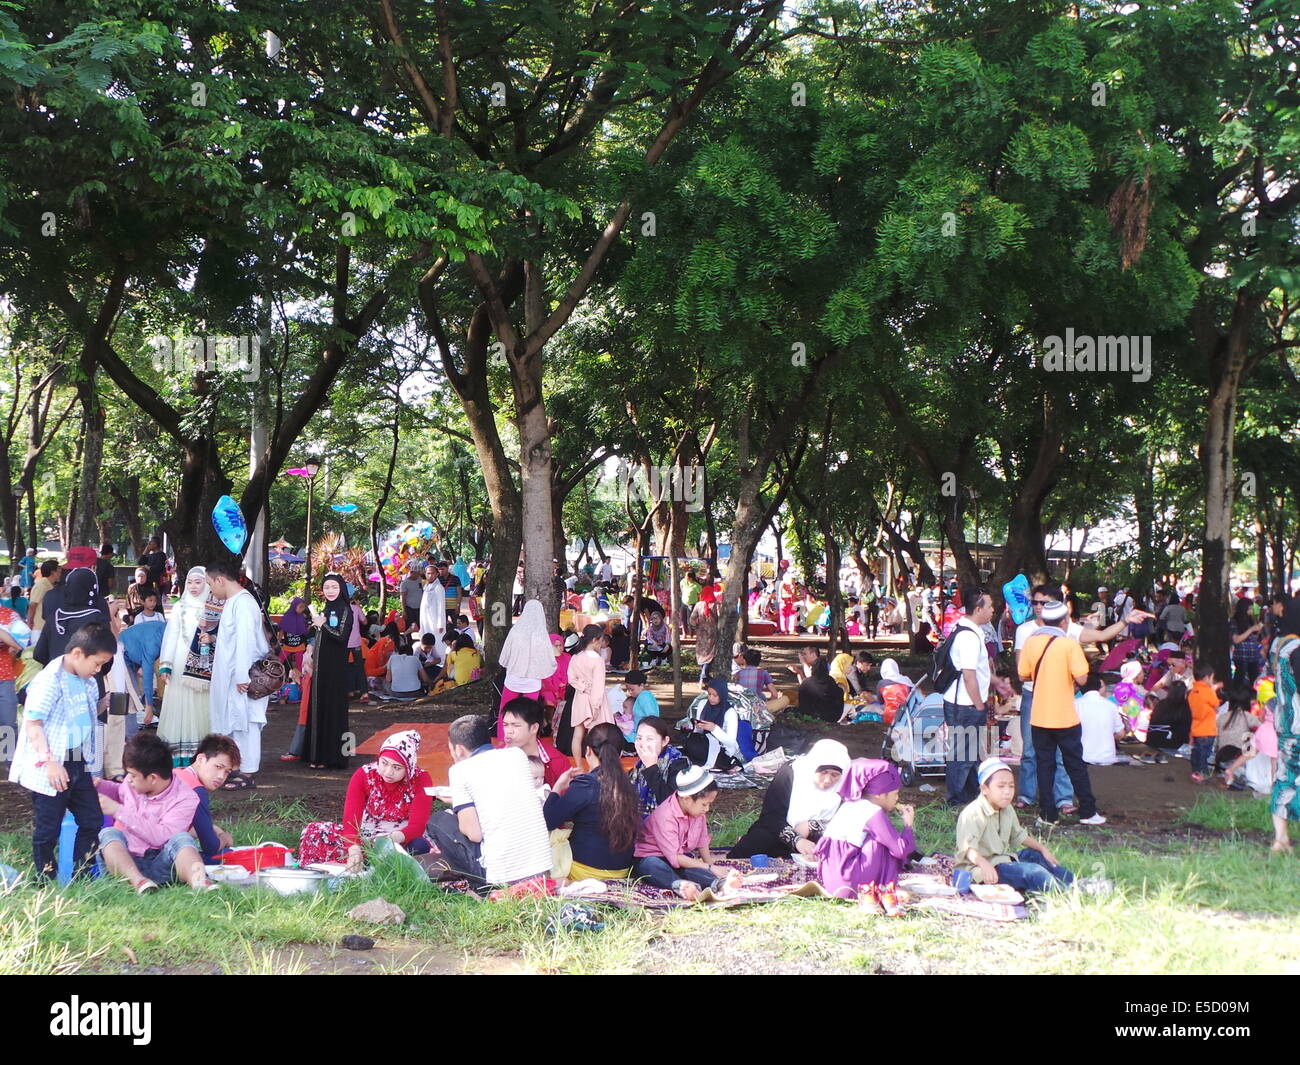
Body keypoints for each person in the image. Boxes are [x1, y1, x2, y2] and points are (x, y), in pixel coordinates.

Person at [8, 622, 115, 879]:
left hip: (79, 760)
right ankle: (44, 878)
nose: (98, 670)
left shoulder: (87, 680)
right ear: (78, 653)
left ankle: (83, 875)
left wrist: (103, 704)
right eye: (97, 663)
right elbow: (33, 724)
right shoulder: (48, 681)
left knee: (91, 820)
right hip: (53, 764)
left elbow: (79, 714)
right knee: (48, 829)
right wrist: (50, 762)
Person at [425, 715, 553, 889]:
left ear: (459, 749)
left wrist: (457, 806)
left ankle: (477, 884)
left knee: (438, 821)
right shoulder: (517, 755)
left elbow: (474, 834)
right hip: (542, 865)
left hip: (502, 875)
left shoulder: (459, 771)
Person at [1017, 600, 1105, 826]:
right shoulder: (1069, 645)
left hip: (1039, 716)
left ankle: (1047, 814)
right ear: (1065, 620)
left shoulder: (1031, 642)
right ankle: (1087, 811)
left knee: (1044, 765)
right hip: (1065, 716)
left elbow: (1023, 675)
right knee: (1074, 764)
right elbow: (1083, 679)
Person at [299, 729, 433, 870]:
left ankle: (367, 867)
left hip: (400, 838)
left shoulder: (421, 779)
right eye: (384, 763)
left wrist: (388, 841)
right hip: (366, 834)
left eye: (397, 767)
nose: (388, 772)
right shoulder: (364, 775)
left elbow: (417, 826)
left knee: (419, 846)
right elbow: (351, 821)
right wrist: (354, 849)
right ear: (378, 758)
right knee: (315, 831)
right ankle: (354, 866)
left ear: (408, 768)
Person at [95, 732, 213, 892]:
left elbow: (161, 837)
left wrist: (118, 810)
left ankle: (200, 882)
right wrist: (100, 785)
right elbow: (120, 792)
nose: (128, 779)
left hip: (162, 862)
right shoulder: (133, 782)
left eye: (133, 775)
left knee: (182, 839)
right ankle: (139, 882)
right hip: (127, 860)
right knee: (108, 834)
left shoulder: (186, 798)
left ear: (152, 778)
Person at [955, 758, 1074, 894]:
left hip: (1000, 860)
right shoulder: (973, 813)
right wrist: (984, 865)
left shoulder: (1006, 808)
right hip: (979, 869)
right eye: (1001, 786)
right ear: (984, 789)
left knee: (1035, 856)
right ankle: (1065, 892)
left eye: (1011, 786)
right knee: (1032, 872)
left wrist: (1042, 849)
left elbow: (1018, 835)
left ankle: (1074, 883)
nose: (1007, 792)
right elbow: (968, 849)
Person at [543, 723, 641, 880]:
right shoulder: (629, 785)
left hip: (585, 871)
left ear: (588, 751)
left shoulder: (586, 784)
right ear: (621, 753)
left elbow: (548, 821)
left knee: (553, 839)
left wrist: (558, 786)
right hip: (622, 871)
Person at [816, 759, 915, 913]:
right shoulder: (872, 811)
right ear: (880, 795)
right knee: (883, 842)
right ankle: (883, 889)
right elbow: (899, 850)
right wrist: (908, 826)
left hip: (831, 883)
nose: (897, 799)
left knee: (883, 837)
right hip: (851, 885)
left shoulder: (850, 804)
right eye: (895, 793)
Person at [206, 559, 271, 789]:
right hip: (233, 676)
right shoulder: (235, 602)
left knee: (246, 723)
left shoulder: (243, 603)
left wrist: (242, 675)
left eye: (210, 584)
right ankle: (236, 767)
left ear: (220, 580)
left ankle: (247, 771)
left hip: (242, 677)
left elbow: (246, 642)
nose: (211, 590)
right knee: (235, 723)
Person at [729, 738, 850, 859]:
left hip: (817, 837)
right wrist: (796, 839)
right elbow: (771, 815)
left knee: (840, 848)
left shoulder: (846, 785)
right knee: (760, 839)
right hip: (780, 830)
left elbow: (846, 821)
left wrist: (811, 826)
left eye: (835, 775)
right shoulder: (792, 772)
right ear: (813, 767)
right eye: (823, 772)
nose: (828, 780)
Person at [631, 765, 738, 901]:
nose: (707, 809)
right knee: (653, 866)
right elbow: (675, 858)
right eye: (704, 804)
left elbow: (702, 840)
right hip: (649, 857)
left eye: (709, 804)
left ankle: (718, 884)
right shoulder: (665, 816)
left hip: (678, 858)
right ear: (687, 799)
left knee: (689, 868)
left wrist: (710, 865)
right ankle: (681, 887)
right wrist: (709, 867)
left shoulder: (697, 811)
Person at [157, 567, 218, 766]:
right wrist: (166, 664)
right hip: (180, 665)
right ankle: (179, 757)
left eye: (198, 582)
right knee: (180, 706)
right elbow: (171, 637)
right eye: (190, 582)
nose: (193, 586)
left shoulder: (215, 607)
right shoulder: (179, 607)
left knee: (203, 706)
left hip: (206, 664)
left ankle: (204, 756)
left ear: (207, 584)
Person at [941, 587, 995, 807]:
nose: (993, 610)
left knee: (969, 753)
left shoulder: (966, 631)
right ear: (979, 609)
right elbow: (969, 676)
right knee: (962, 756)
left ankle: (969, 795)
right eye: (990, 606)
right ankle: (955, 800)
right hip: (965, 704)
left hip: (963, 702)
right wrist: (980, 705)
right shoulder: (969, 637)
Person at [305, 573, 353, 770]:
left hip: (336, 668)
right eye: (327, 587)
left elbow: (341, 636)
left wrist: (322, 624)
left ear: (341, 588)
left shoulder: (345, 609)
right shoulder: (325, 609)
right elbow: (321, 636)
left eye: (334, 587)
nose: (330, 591)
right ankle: (317, 755)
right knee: (319, 706)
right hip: (321, 666)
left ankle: (334, 756)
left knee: (333, 708)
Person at [173, 733, 239, 862]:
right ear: (200, 760)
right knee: (229, 855)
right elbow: (211, 847)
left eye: (227, 772)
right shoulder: (196, 789)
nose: (221, 776)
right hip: (157, 857)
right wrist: (224, 838)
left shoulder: (175, 773)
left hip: (131, 848)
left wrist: (212, 828)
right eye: (218, 767)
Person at [496, 599, 555, 740]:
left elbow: (506, 655)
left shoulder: (515, 631)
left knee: (505, 709)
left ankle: (503, 737)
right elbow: (548, 659)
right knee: (530, 711)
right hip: (532, 680)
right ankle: (528, 739)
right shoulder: (541, 634)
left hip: (513, 677)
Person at [1267, 597, 1300, 853]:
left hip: (1285, 720)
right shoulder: (1298, 648)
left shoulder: (1281, 645)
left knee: (1285, 777)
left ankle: (1281, 839)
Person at [34, 567, 109, 666]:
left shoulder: (54, 618)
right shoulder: (98, 619)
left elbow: (38, 654)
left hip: (56, 677)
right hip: (89, 679)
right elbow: (106, 656)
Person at [566, 623, 611, 767]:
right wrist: (596, 706)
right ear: (594, 640)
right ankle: (594, 766)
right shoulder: (598, 660)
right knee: (596, 735)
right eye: (600, 640)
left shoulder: (576, 657)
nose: (601, 644)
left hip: (580, 698)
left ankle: (579, 766)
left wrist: (582, 687)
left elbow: (571, 679)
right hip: (594, 699)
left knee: (577, 734)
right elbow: (599, 685)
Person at [501, 696, 570, 789]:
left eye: (516, 725)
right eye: (505, 725)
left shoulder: (558, 762)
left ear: (534, 728)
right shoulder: (495, 758)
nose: (509, 731)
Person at [628, 717, 687, 819]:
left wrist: (651, 767)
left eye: (649, 739)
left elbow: (671, 803)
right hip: (638, 825)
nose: (643, 744)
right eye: (639, 738)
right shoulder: (638, 765)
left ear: (665, 741)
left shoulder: (679, 763)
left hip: (667, 827)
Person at [684, 677, 743, 771]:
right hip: (703, 743)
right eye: (709, 694)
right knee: (689, 743)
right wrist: (697, 726)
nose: (711, 698)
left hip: (722, 748)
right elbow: (699, 733)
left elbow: (731, 742)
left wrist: (714, 729)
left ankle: (720, 763)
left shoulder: (730, 712)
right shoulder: (703, 704)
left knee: (708, 752)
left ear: (722, 695)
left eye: (715, 695)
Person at [1076, 672, 1128, 765]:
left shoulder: (1075, 704)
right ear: (1099, 687)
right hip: (1108, 758)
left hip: (1082, 757)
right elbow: (1121, 733)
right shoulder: (1111, 705)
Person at [1141, 681, 1192, 763]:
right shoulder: (1185, 707)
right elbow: (1187, 728)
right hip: (1171, 743)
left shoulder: (1161, 704)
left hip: (1152, 740)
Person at [1187, 662, 1222, 783]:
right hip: (1207, 729)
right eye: (1212, 678)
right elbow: (1216, 703)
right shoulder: (1208, 691)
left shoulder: (1192, 692)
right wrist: (1214, 689)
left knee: (1198, 752)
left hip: (1196, 728)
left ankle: (1196, 772)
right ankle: (1203, 774)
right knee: (1204, 754)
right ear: (1207, 677)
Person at [734, 648, 790, 713]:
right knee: (785, 699)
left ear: (744, 660)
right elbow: (774, 694)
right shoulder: (763, 673)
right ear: (759, 661)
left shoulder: (738, 674)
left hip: (742, 707)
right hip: (758, 709)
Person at [617, 669, 660, 741]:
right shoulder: (639, 697)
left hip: (643, 736)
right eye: (627, 689)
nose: (629, 692)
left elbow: (652, 718)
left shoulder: (645, 696)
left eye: (632, 689)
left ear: (642, 685)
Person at [799, 657, 845, 724]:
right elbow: (837, 696)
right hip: (829, 717)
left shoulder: (806, 682)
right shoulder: (830, 681)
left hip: (808, 716)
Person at [383, 633, 430, 697]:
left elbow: (388, 679)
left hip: (397, 694)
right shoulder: (415, 659)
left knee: (385, 683)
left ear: (399, 653)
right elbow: (425, 679)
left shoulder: (392, 658)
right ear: (411, 653)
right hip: (415, 692)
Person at [1231, 599, 1265, 688]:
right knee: (1239, 681)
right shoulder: (1235, 621)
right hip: (1241, 656)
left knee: (1255, 681)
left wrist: (1257, 630)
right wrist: (1251, 629)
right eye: (1249, 608)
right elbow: (1236, 640)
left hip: (1254, 655)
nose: (1251, 611)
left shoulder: (1250, 620)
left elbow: (1254, 638)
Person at [278, 596, 310, 674]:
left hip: (299, 645)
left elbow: (304, 631)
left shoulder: (302, 617)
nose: (302, 609)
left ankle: (299, 679)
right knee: (280, 660)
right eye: (300, 607)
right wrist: (278, 640)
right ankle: (277, 674)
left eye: (303, 607)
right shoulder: (287, 616)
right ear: (294, 606)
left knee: (300, 662)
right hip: (288, 645)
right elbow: (282, 629)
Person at [27, 558, 59, 631]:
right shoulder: (42, 585)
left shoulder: (50, 585)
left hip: (46, 627)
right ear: (53, 572)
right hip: (39, 627)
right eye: (59, 571)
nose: (60, 574)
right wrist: (30, 622)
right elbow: (32, 605)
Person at [693, 600, 718, 684]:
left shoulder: (698, 604)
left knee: (703, 655)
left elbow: (692, 619)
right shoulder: (715, 604)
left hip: (701, 634)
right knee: (710, 655)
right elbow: (720, 618)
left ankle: (705, 676)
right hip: (712, 634)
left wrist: (696, 626)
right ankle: (704, 676)